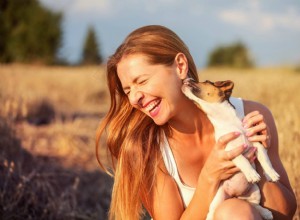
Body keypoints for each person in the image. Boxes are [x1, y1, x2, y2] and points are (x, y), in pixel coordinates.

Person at [96, 25, 296, 220]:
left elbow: (285, 213)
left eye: (141, 81)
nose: (134, 99)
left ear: (180, 66)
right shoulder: (147, 149)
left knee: (234, 212)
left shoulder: (251, 115)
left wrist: (257, 159)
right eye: (128, 91)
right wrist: (210, 176)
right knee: (232, 211)